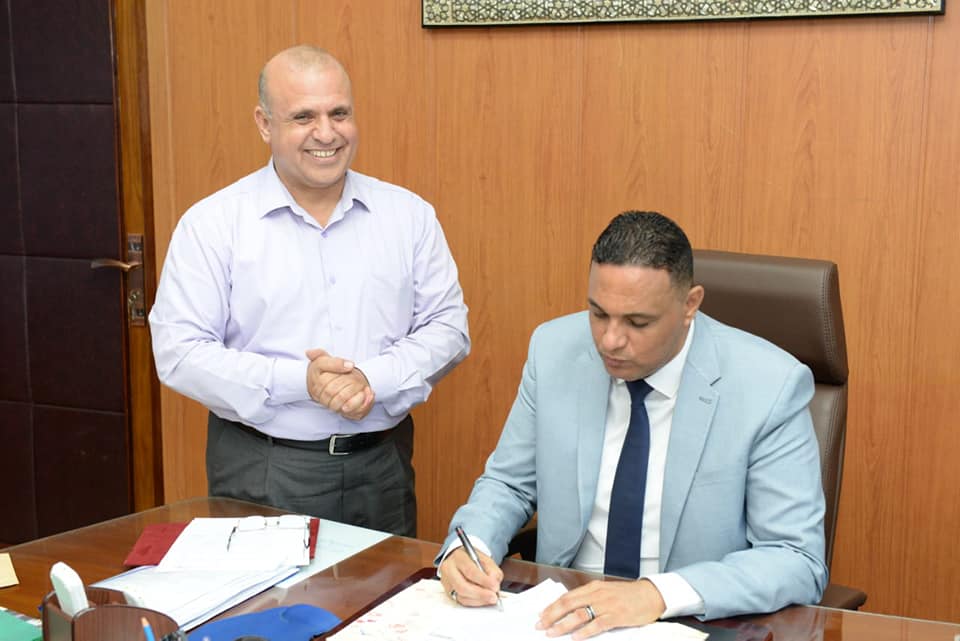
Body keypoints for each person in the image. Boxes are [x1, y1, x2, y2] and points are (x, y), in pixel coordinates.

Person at [437, 211, 826, 638]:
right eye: (598, 313)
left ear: (690, 305)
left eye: (638, 322)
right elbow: (509, 484)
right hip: (561, 616)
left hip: (688, 621)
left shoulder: (769, 385)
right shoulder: (553, 349)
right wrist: (469, 547)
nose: (610, 340)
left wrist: (656, 594)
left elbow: (794, 557)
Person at [149, 45, 469, 537]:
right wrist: (303, 382)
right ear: (264, 124)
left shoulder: (408, 215)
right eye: (303, 117)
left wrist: (369, 378)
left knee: (389, 589)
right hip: (264, 467)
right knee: (263, 591)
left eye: (339, 113)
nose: (326, 133)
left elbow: (448, 328)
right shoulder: (213, 224)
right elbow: (179, 352)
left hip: (381, 468)